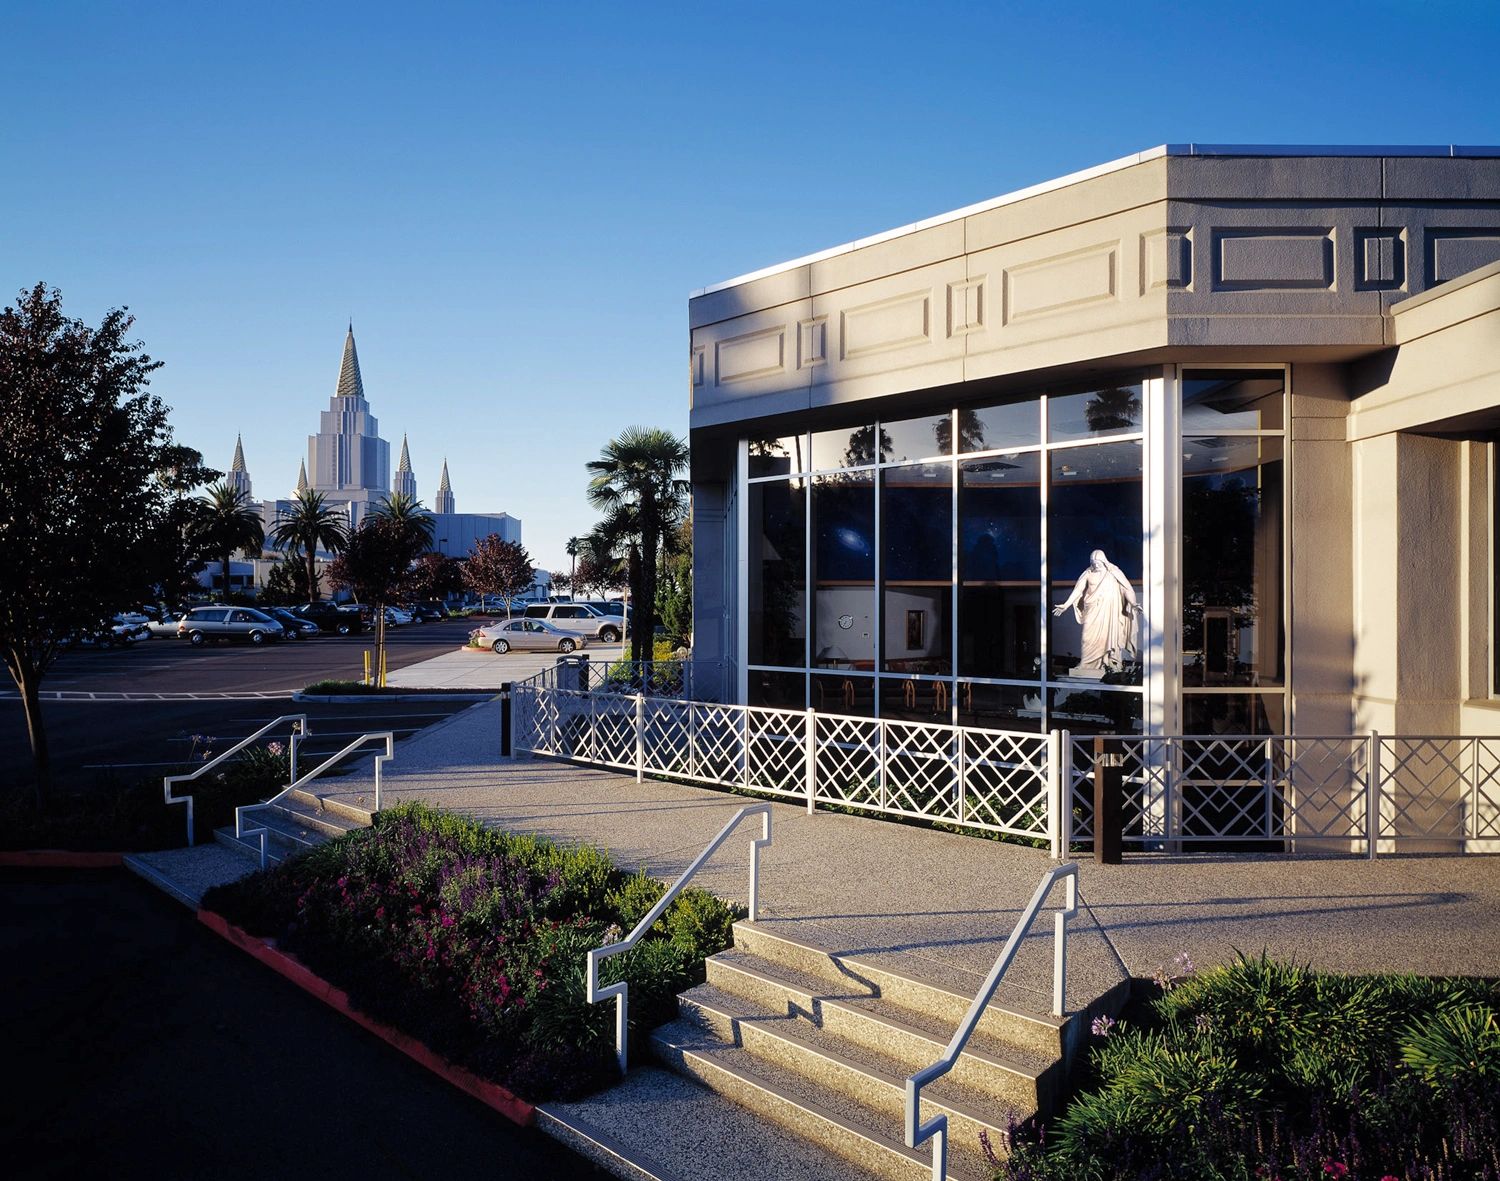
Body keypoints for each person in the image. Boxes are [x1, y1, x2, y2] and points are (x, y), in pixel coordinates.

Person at [1052, 549, 1140, 672]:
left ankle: (1109, 663)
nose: (1096, 565)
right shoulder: (1088, 573)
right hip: (1092, 610)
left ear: (1104, 561)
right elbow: (1078, 590)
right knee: (1086, 637)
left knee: (1107, 638)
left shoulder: (1114, 573)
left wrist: (1133, 604)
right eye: (1093, 563)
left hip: (1109, 613)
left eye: (1098, 562)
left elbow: (1127, 589)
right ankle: (1085, 664)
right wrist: (1066, 605)